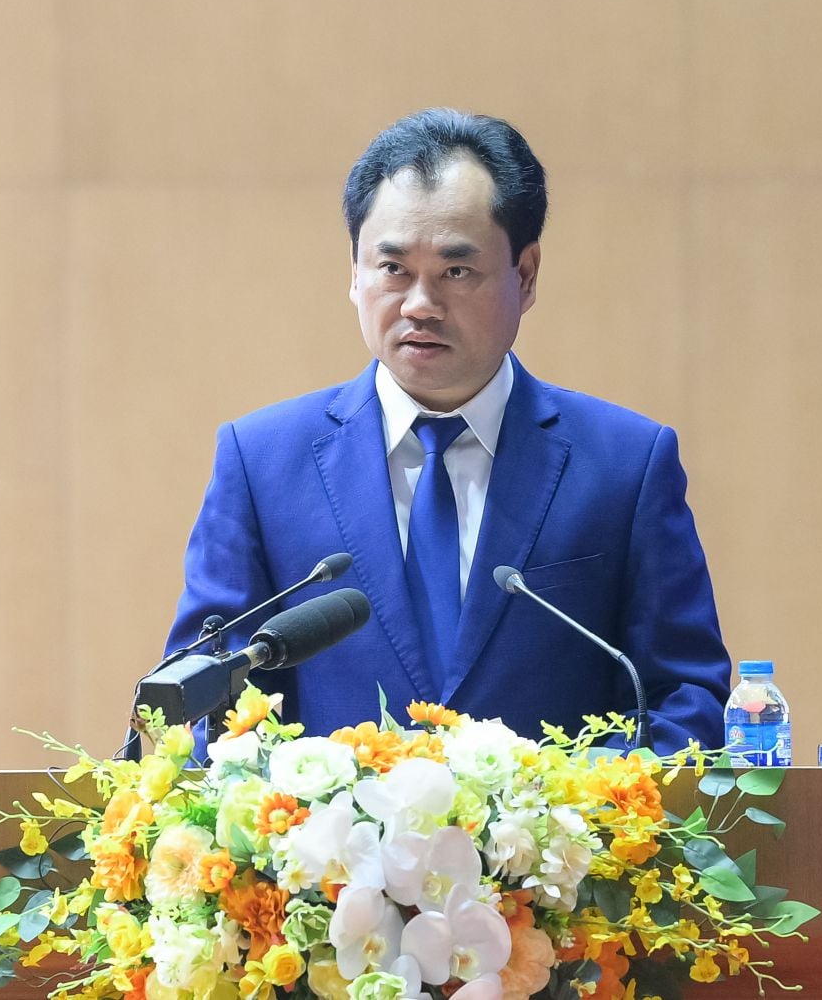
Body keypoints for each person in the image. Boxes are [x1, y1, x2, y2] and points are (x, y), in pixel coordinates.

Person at [163, 109, 730, 750]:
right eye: (392, 269)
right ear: (354, 272)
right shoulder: (262, 462)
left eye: (456, 272)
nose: (420, 305)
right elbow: (203, 699)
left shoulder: (625, 463)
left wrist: (574, 805)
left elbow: (683, 698)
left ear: (525, 275)